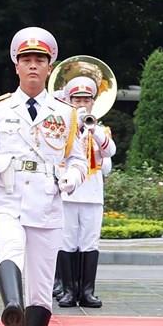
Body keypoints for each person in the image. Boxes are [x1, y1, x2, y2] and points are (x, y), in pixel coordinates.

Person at [0, 27, 88, 326]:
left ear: (50, 66)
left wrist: (70, 179)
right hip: (6, 197)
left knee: (40, 288)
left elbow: (78, 160)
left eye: (40, 60)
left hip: (46, 202)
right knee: (9, 247)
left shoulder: (65, 113)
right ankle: (13, 308)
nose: (33, 65)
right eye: (27, 60)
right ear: (16, 67)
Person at [56, 75, 116, 309]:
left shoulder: (100, 129)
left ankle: (87, 291)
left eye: (86, 100)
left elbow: (109, 151)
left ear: (93, 102)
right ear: (69, 102)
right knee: (67, 241)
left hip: (92, 193)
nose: (82, 104)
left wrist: (92, 128)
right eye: (77, 100)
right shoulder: (61, 128)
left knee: (90, 242)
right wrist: (77, 126)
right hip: (69, 192)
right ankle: (69, 291)